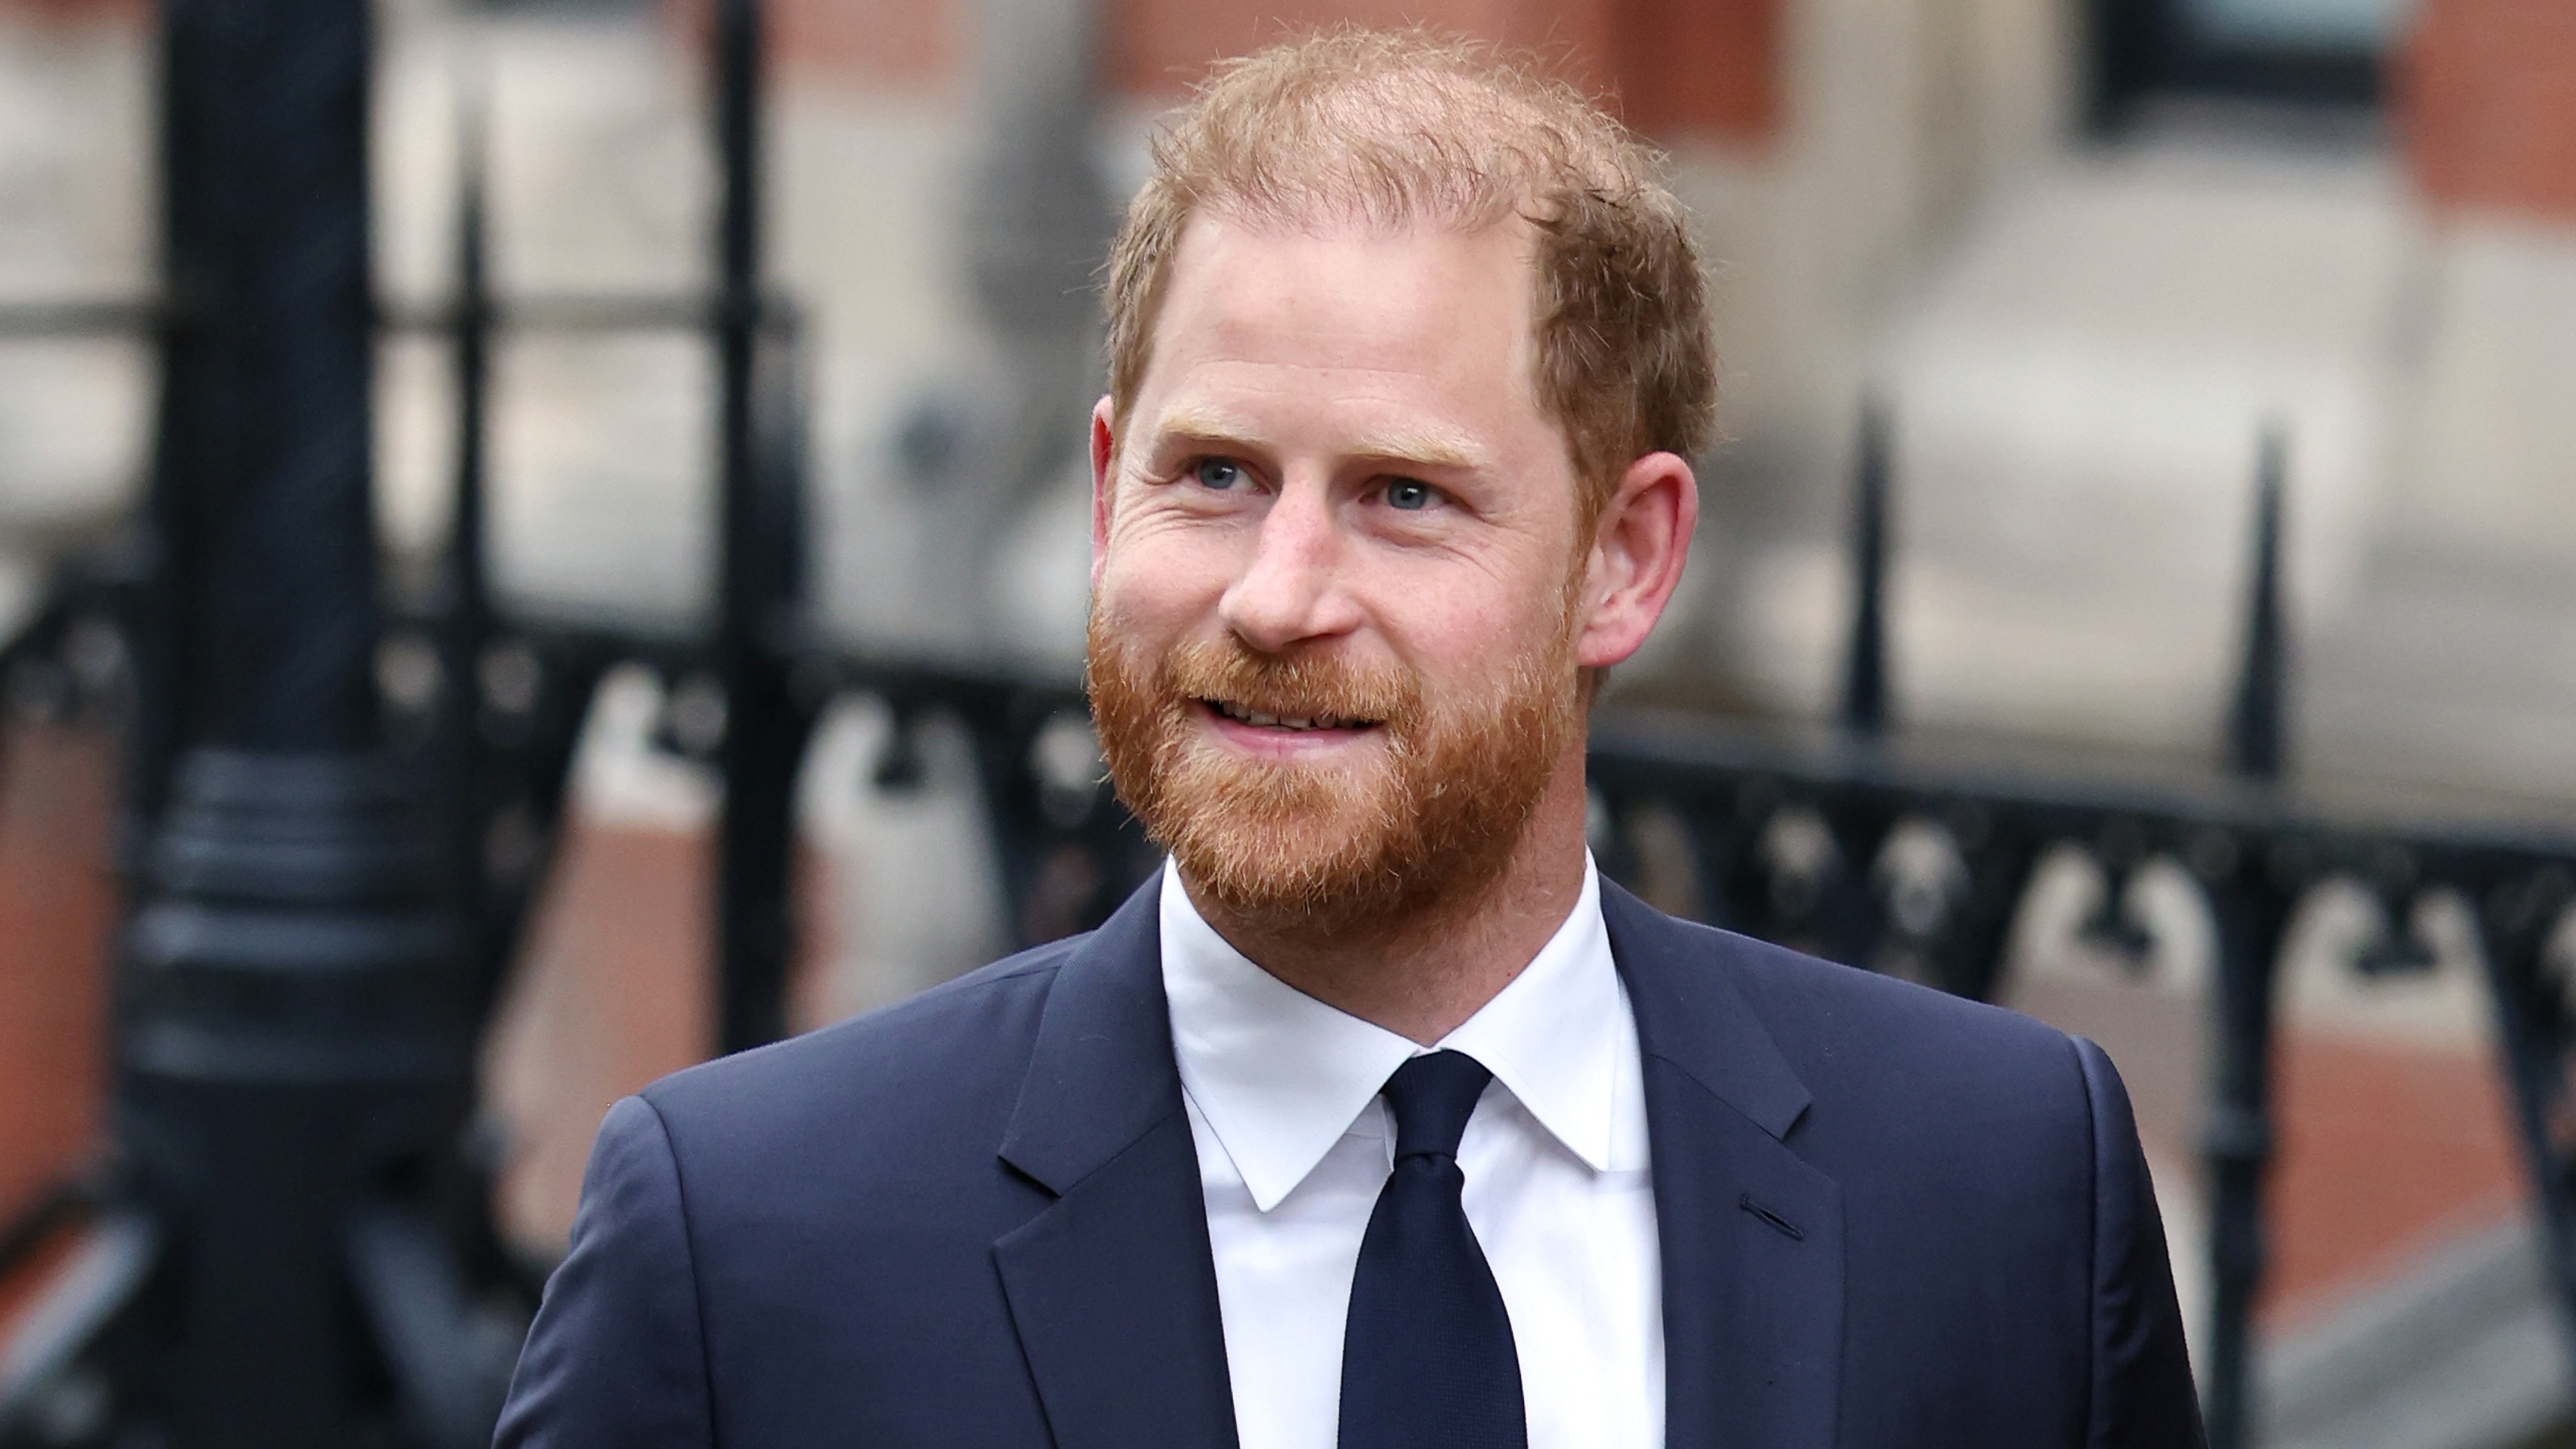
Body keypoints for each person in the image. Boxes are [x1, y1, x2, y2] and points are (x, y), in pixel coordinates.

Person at [494, 29, 2203, 1449]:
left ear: (1625, 559)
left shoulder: (1994, 1188)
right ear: (1104, 492)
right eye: (1215, 473)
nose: (1277, 593)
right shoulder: (747, 1246)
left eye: (1402, 496)